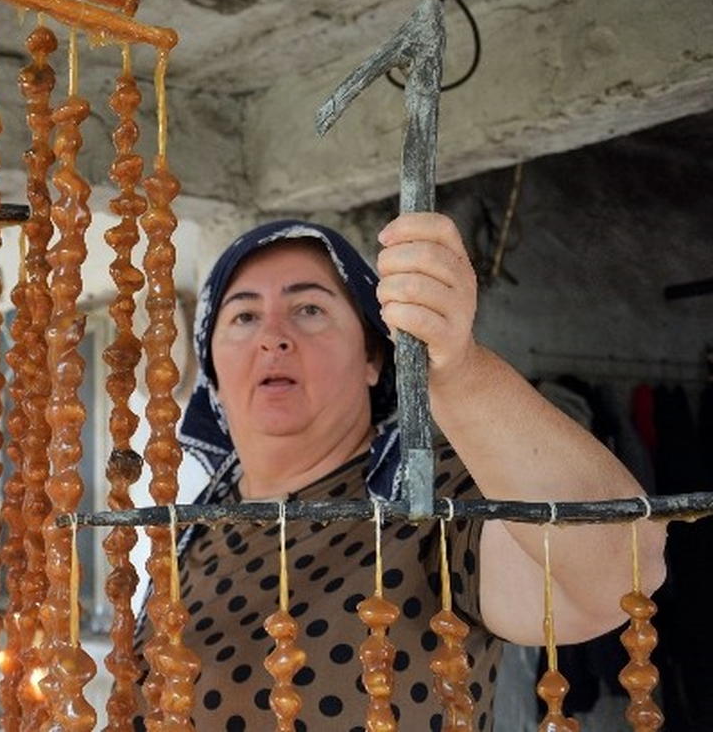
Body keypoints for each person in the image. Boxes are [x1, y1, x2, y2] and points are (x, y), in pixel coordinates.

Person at [133, 213, 667, 731]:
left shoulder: (434, 497)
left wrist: (460, 370)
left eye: (309, 309)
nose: (273, 337)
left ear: (373, 357)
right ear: (212, 370)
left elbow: (620, 570)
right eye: (244, 317)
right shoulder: (189, 532)